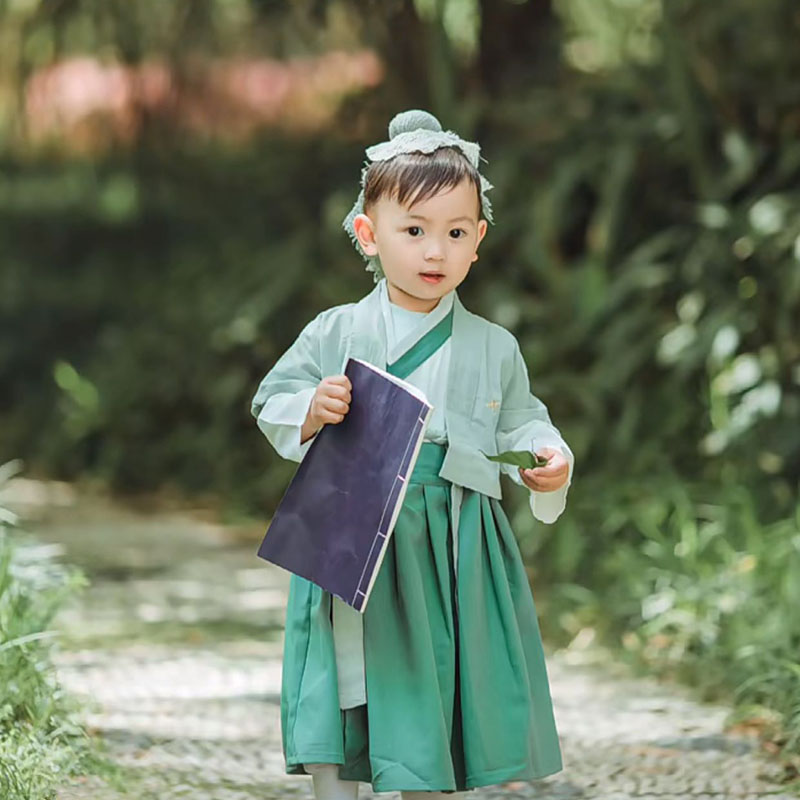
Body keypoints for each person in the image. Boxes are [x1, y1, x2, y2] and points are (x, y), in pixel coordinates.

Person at [250, 109, 574, 800]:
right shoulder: (336, 330)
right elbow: (271, 396)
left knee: (437, 682)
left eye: (456, 232)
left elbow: (522, 419)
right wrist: (310, 410)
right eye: (415, 231)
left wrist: (547, 454)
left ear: (479, 240)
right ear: (369, 235)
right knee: (350, 680)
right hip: (356, 527)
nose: (436, 252)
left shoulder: (494, 346)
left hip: (452, 535)